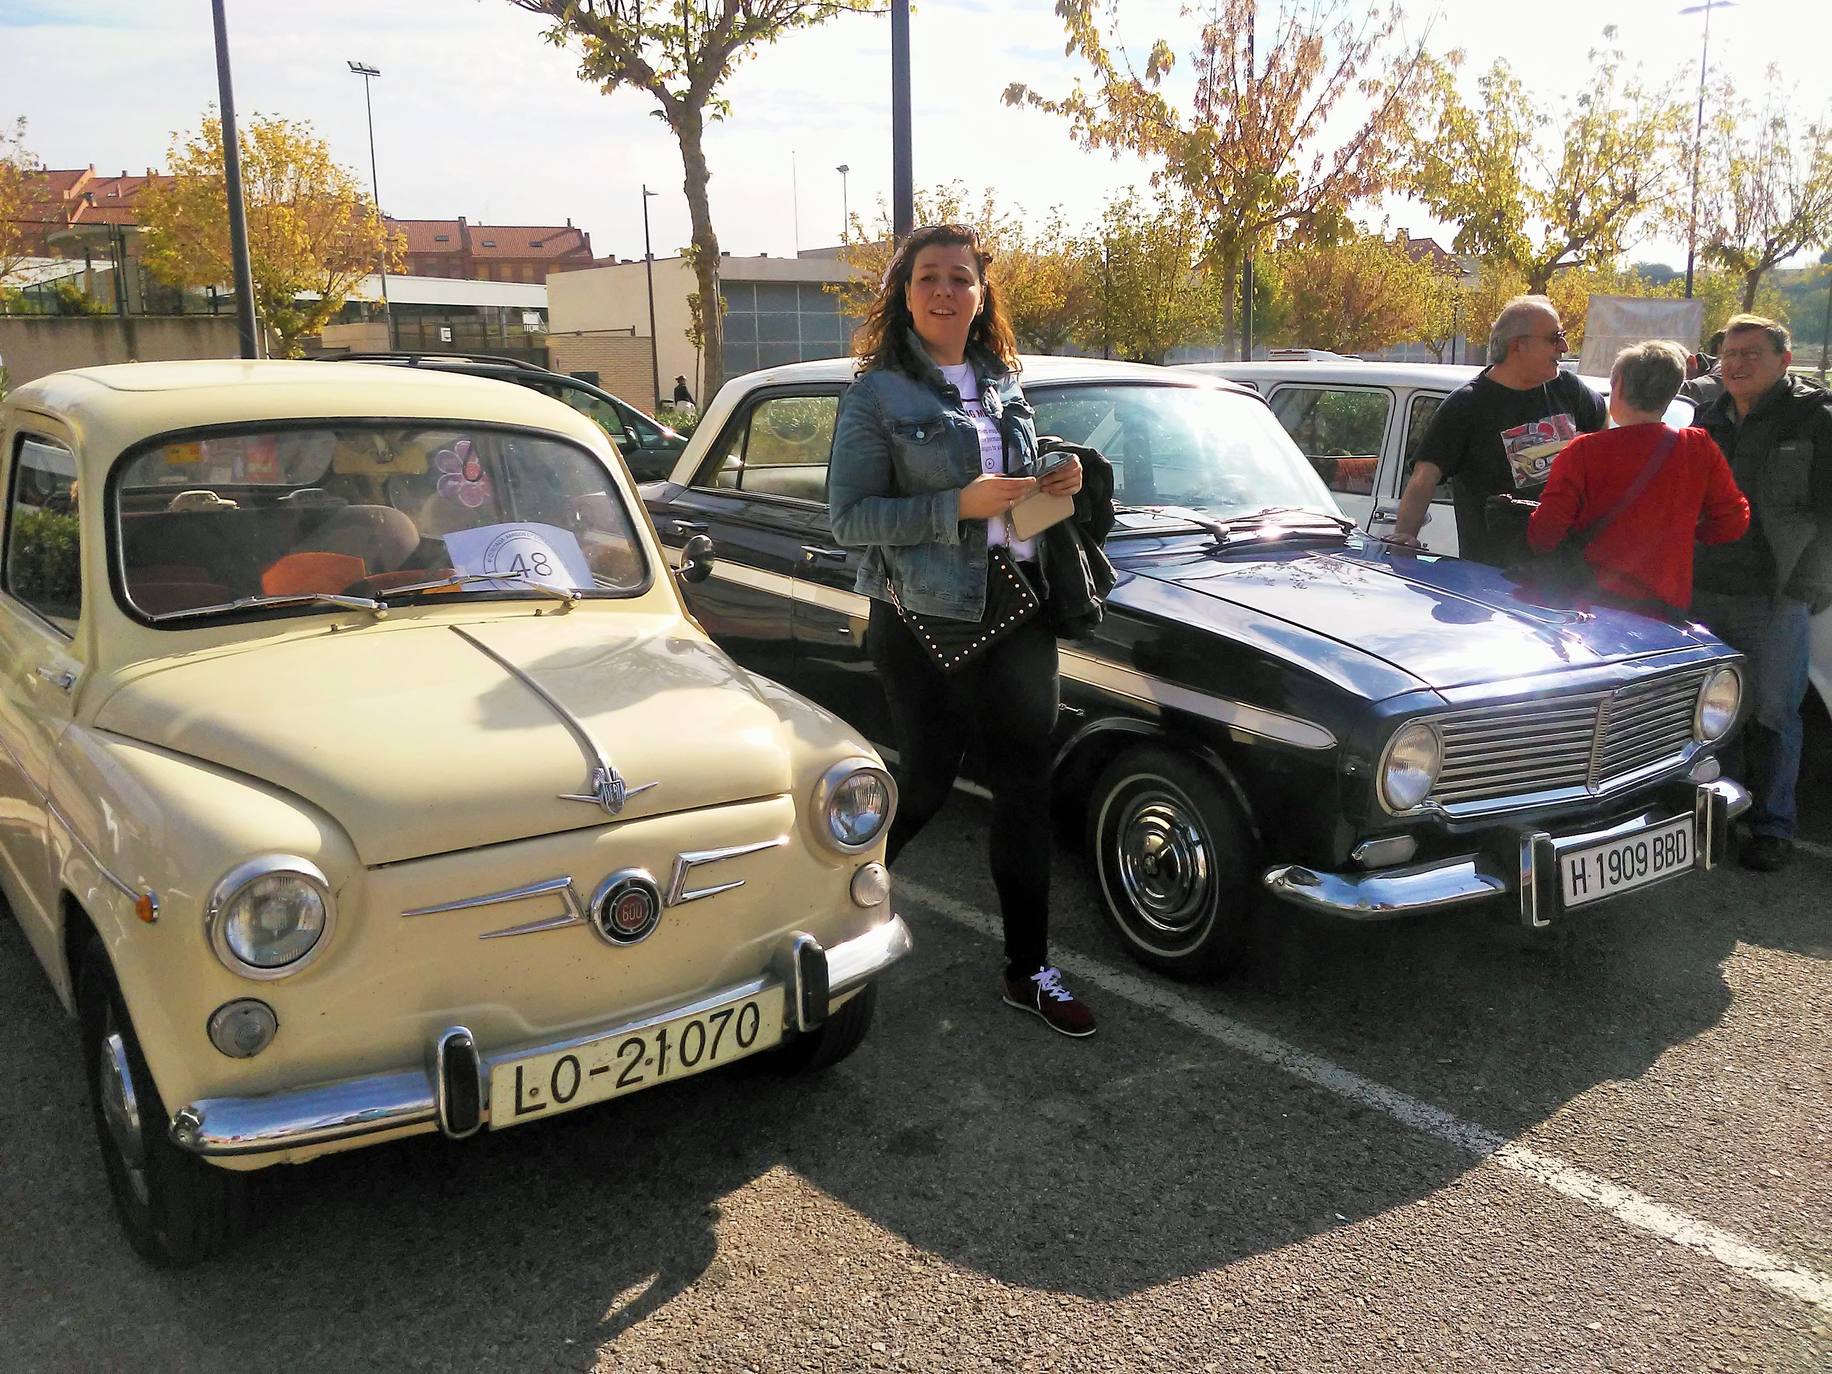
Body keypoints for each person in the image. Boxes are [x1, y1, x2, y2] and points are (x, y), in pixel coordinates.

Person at [827, 223, 1096, 1038]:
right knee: (931, 782)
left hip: (1016, 607)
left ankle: (1028, 970)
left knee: (1024, 787)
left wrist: (1057, 472)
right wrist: (956, 506)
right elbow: (848, 519)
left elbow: (1016, 479)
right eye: (928, 278)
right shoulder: (876, 394)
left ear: (982, 295)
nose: (945, 291)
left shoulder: (1002, 381)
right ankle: (824, 916)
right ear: (904, 295)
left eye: (961, 278)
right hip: (921, 618)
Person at [1688, 315, 1832, 871]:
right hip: (1704, 591)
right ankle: (1716, 819)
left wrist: (1809, 583)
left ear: (1783, 360)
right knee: (1711, 714)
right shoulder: (1707, 419)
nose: (1737, 363)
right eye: (1729, 353)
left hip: (1775, 598)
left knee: (1774, 713)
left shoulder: (1815, 421)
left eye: (1752, 353)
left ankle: (1773, 827)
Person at [1527, 340, 1748, 616]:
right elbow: (1733, 521)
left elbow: (1545, 534)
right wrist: (1684, 535)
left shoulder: (1584, 451)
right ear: (1672, 391)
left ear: (1617, 384)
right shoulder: (1697, 447)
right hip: (1665, 601)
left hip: (1593, 599)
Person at [1390, 295, 1606, 564]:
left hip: (1563, 572)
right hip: (1493, 579)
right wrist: (1404, 538)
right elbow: (1425, 478)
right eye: (1554, 338)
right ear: (1519, 345)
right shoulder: (1467, 404)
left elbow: (1604, 435)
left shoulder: (1569, 388)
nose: (1564, 346)